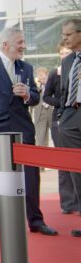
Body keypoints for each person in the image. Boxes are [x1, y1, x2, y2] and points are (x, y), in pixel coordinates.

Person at [0, 27, 57, 235]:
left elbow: (35, 97)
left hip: (24, 128)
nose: (24, 46)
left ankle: (36, 220)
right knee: (1, 176)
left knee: (31, 176)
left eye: (24, 42)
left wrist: (27, 95)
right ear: (5, 45)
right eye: (20, 42)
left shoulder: (26, 68)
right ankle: (4, 223)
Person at [44, 43, 80, 214]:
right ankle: (67, 203)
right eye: (62, 53)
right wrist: (63, 107)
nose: (65, 55)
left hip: (74, 119)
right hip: (60, 120)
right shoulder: (54, 73)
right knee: (64, 164)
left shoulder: (74, 68)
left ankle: (77, 202)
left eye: (68, 52)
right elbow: (46, 96)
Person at [57, 18, 81, 237]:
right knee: (76, 168)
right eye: (63, 35)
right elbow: (63, 91)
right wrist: (62, 116)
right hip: (71, 116)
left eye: (68, 34)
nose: (64, 38)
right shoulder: (67, 62)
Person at [32, 67, 52, 148]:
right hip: (40, 112)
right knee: (41, 137)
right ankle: (43, 157)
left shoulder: (52, 84)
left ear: (47, 75)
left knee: (57, 136)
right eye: (38, 75)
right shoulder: (36, 86)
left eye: (42, 75)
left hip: (52, 110)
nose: (40, 77)